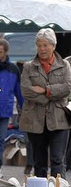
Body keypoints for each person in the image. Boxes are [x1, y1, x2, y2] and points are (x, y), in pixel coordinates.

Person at [20, 28, 71, 178]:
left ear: (53, 46)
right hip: (35, 121)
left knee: (57, 160)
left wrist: (45, 90)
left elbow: (67, 88)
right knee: (39, 162)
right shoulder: (28, 67)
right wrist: (52, 96)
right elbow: (26, 91)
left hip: (59, 119)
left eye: (45, 45)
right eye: (39, 45)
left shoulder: (65, 66)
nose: (42, 49)